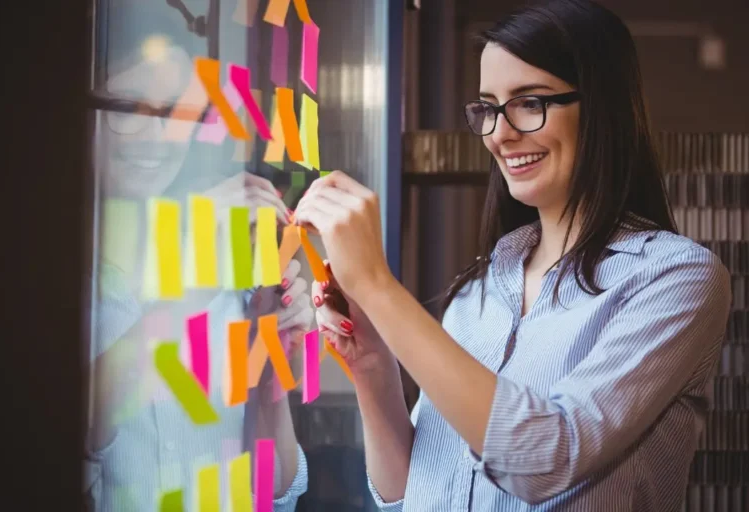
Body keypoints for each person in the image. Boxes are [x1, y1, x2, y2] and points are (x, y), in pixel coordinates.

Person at [293, 0, 731, 510]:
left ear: (603, 108)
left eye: (529, 102)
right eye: (488, 107)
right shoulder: (478, 294)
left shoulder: (676, 279)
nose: (500, 134)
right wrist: (371, 367)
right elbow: (408, 493)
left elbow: (548, 458)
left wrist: (375, 283)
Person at [85, 10, 310, 509]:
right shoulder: (37, 275)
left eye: (175, 114)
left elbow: (275, 491)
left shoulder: (231, 273)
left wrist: (268, 360)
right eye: (127, 108)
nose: (157, 137)